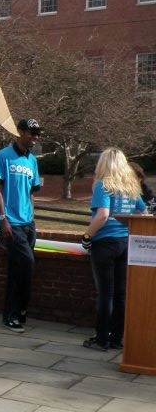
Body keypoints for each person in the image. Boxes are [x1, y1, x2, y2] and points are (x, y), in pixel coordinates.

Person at [82, 148, 145, 351]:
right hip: (125, 243)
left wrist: (87, 236)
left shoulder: (103, 185)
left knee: (105, 294)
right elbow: (143, 214)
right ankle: (117, 339)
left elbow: (102, 215)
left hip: (104, 243)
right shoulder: (131, 187)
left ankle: (101, 339)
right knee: (120, 294)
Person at [0, 117, 42, 333]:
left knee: (18, 269)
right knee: (26, 263)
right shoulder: (3, 156)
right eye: (31, 133)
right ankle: (16, 311)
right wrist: (3, 219)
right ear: (20, 132)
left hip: (28, 224)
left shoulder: (32, 161)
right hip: (11, 223)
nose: (35, 137)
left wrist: (33, 219)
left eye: (37, 133)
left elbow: (32, 192)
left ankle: (14, 314)